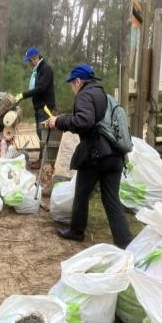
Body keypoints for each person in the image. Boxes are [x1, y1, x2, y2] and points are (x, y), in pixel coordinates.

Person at [48, 64, 132, 249]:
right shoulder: (103, 95)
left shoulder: (84, 95)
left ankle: (76, 232)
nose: (72, 87)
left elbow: (84, 121)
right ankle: (125, 242)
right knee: (111, 199)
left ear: (78, 82)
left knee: (81, 193)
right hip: (115, 155)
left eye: (72, 83)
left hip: (96, 155)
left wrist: (59, 121)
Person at [15, 47, 55, 170]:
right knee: (39, 133)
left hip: (45, 107)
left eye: (30, 61)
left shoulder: (45, 69)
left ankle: (43, 161)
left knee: (43, 133)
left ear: (35, 58)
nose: (29, 63)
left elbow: (41, 88)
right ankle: (43, 159)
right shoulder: (38, 70)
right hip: (39, 106)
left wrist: (23, 95)